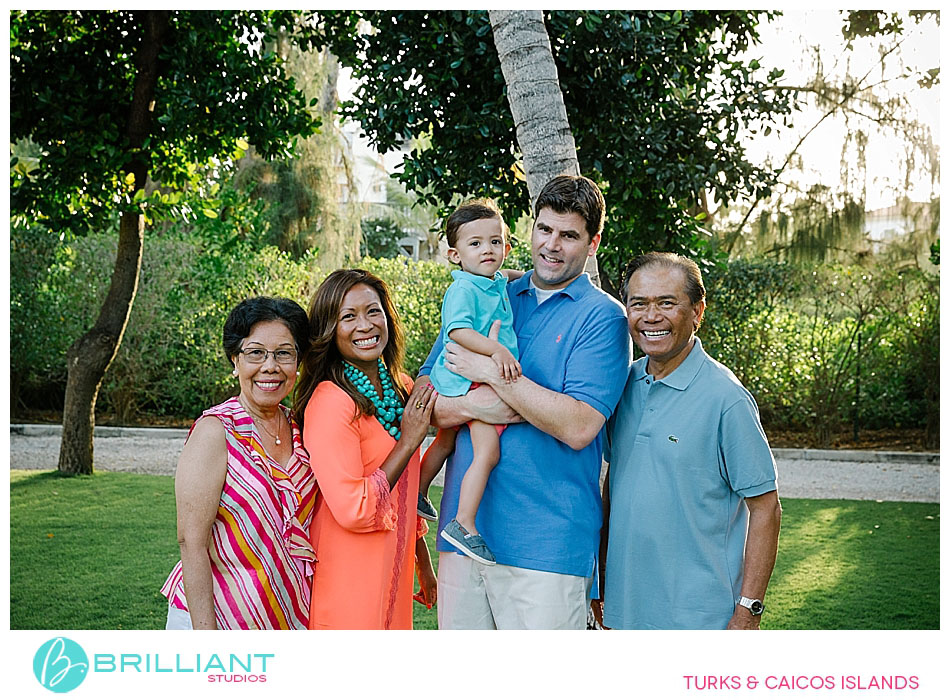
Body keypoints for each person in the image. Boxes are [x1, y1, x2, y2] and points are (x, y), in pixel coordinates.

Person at [417, 174, 632, 629]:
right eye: (544, 229)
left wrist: (489, 374)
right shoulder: (489, 289)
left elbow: (578, 426)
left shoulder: (604, 319)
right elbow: (424, 401)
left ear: (592, 243)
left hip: (547, 547)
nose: (552, 245)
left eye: (569, 235)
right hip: (463, 540)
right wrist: (478, 407)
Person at [594, 252, 782, 630]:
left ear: (698, 311)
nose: (651, 317)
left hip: (701, 618)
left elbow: (766, 509)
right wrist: (601, 585)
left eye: (667, 303)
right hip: (624, 612)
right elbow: (614, 487)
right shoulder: (622, 385)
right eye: (639, 304)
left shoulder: (726, 399)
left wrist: (748, 611)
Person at [293, 269, 439, 629]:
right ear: (329, 329)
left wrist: (422, 560)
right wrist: (408, 442)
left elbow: (405, 488)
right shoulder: (330, 401)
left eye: (373, 311)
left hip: (394, 566)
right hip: (348, 574)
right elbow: (354, 508)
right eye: (348, 316)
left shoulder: (400, 387)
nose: (365, 325)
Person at [161, 296, 317, 629]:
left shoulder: (302, 427)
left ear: (298, 362)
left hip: (285, 614)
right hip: (216, 617)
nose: (270, 366)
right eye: (255, 353)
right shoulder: (215, 431)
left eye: (284, 353)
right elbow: (191, 541)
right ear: (235, 360)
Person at [418, 198, 521, 567]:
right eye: (475, 244)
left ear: (507, 247)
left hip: (461, 378)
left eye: (495, 242)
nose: (487, 250)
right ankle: (463, 524)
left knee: (446, 440)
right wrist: (496, 351)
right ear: (454, 254)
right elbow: (458, 329)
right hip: (470, 380)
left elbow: (505, 278)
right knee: (487, 453)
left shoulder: (490, 282)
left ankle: (418, 489)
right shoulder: (463, 289)